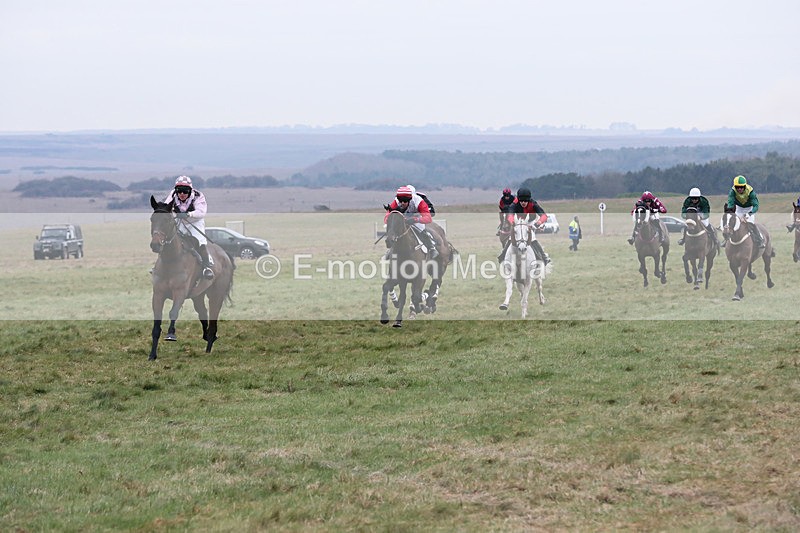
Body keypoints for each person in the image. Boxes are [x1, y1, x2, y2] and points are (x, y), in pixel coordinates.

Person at [164, 175, 215, 279]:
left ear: (190, 190)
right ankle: (162, 265)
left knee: (200, 242)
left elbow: (201, 212)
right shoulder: (173, 195)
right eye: (179, 190)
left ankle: (206, 267)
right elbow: (166, 207)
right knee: (169, 239)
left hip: (195, 222)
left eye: (185, 191)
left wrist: (188, 214)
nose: (182, 194)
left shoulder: (198, 196)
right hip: (180, 220)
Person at [384, 184, 439, 259]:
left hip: (416, 217)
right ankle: (391, 250)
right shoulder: (397, 201)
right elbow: (388, 215)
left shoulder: (419, 201)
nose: (402, 202)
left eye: (406, 200)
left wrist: (415, 219)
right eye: (401, 200)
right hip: (403, 217)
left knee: (420, 228)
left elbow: (428, 218)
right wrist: (389, 222)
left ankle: (431, 248)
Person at [503, 187, 551, 264]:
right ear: (518, 199)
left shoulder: (533, 204)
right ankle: (503, 256)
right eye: (521, 201)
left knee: (533, 238)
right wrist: (512, 222)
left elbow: (544, 216)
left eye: (525, 201)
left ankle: (543, 257)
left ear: (529, 200)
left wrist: (536, 224)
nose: (523, 203)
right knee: (510, 238)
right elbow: (510, 215)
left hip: (530, 222)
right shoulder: (514, 204)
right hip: (517, 222)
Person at [726, 175, 765, 249]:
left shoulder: (750, 192)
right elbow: (730, 203)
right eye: (737, 187)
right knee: (733, 223)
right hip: (739, 208)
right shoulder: (732, 191)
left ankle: (759, 240)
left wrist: (749, 213)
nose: (739, 189)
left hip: (749, 209)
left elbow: (756, 206)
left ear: (745, 186)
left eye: (741, 187)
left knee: (750, 224)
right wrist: (730, 211)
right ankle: (727, 239)